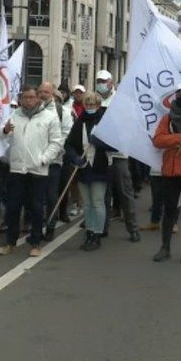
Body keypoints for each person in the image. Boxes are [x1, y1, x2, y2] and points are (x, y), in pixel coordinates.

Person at [0, 85, 63, 257]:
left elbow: (56, 142)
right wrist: (4, 131)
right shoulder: (14, 115)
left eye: (31, 97)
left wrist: (44, 159)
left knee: (36, 208)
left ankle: (36, 242)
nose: (28, 100)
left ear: (37, 99)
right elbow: (2, 137)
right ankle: (10, 242)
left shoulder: (49, 117)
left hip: (38, 170)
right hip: (17, 169)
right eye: (24, 97)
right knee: (13, 207)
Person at [151, 83, 181, 264]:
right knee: (170, 210)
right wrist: (179, 138)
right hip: (171, 171)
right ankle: (165, 248)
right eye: (179, 93)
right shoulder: (168, 118)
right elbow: (157, 140)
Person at [95, 70, 140, 242]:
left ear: (111, 83)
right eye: (98, 81)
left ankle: (133, 228)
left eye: (104, 81)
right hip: (99, 154)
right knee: (102, 194)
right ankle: (102, 226)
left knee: (125, 192)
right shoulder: (94, 101)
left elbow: (129, 126)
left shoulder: (121, 101)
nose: (101, 84)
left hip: (118, 153)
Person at [65, 92, 110, 251]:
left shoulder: (104, 122)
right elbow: (69, 144)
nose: (89, 107)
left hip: (99, 167)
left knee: (98, 202)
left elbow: (114, 144)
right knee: (88, 204)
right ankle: (89, 232)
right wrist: (74, 157)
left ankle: (98, 233)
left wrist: (100, 143)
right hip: (83, 168)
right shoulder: (80, 121)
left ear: (98, 105)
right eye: (87, 104)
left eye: (92, 105)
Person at [39, 81, 73, 241]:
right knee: (36, 196)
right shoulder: (34, 110)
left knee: (52, 196)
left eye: (46, 92)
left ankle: (51, 226)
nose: (42, 95)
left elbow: (67, 133)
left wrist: (53, 151)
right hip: (35, 162)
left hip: (54, 162)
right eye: (41, 91)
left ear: (53, 94)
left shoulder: (63, 112)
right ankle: (36, 225)